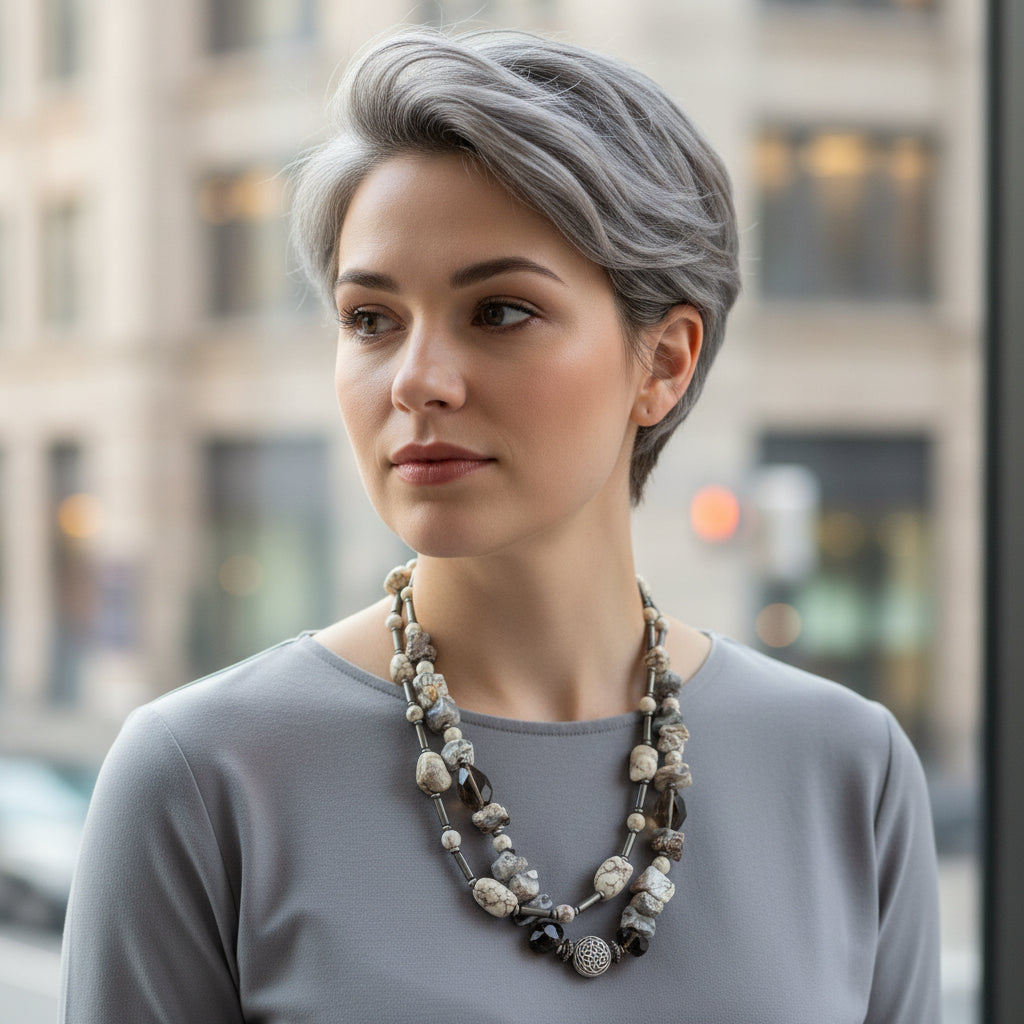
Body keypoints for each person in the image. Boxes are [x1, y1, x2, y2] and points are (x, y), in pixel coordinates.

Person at [60, 28, 941, 1023]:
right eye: (370, 319)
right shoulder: (202, 777)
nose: (416, 381)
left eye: (500, 312)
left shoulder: (847, 769)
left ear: (663, 362)